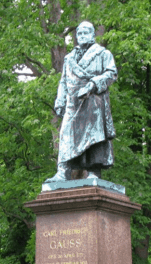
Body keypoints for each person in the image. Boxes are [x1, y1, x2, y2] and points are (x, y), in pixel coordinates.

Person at [45, 21, 117, 183]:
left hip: (93, 101)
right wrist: (60, 100)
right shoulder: (69, 58)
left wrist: (92, 84)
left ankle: (93, 171)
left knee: (94, 135)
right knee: (65, 134)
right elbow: (63, 81)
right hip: (72, 103)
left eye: (86, 33)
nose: (82, 36)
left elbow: (111, 74)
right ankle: (63, 171)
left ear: (92, 35)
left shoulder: (102, 54)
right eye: (80, 33)